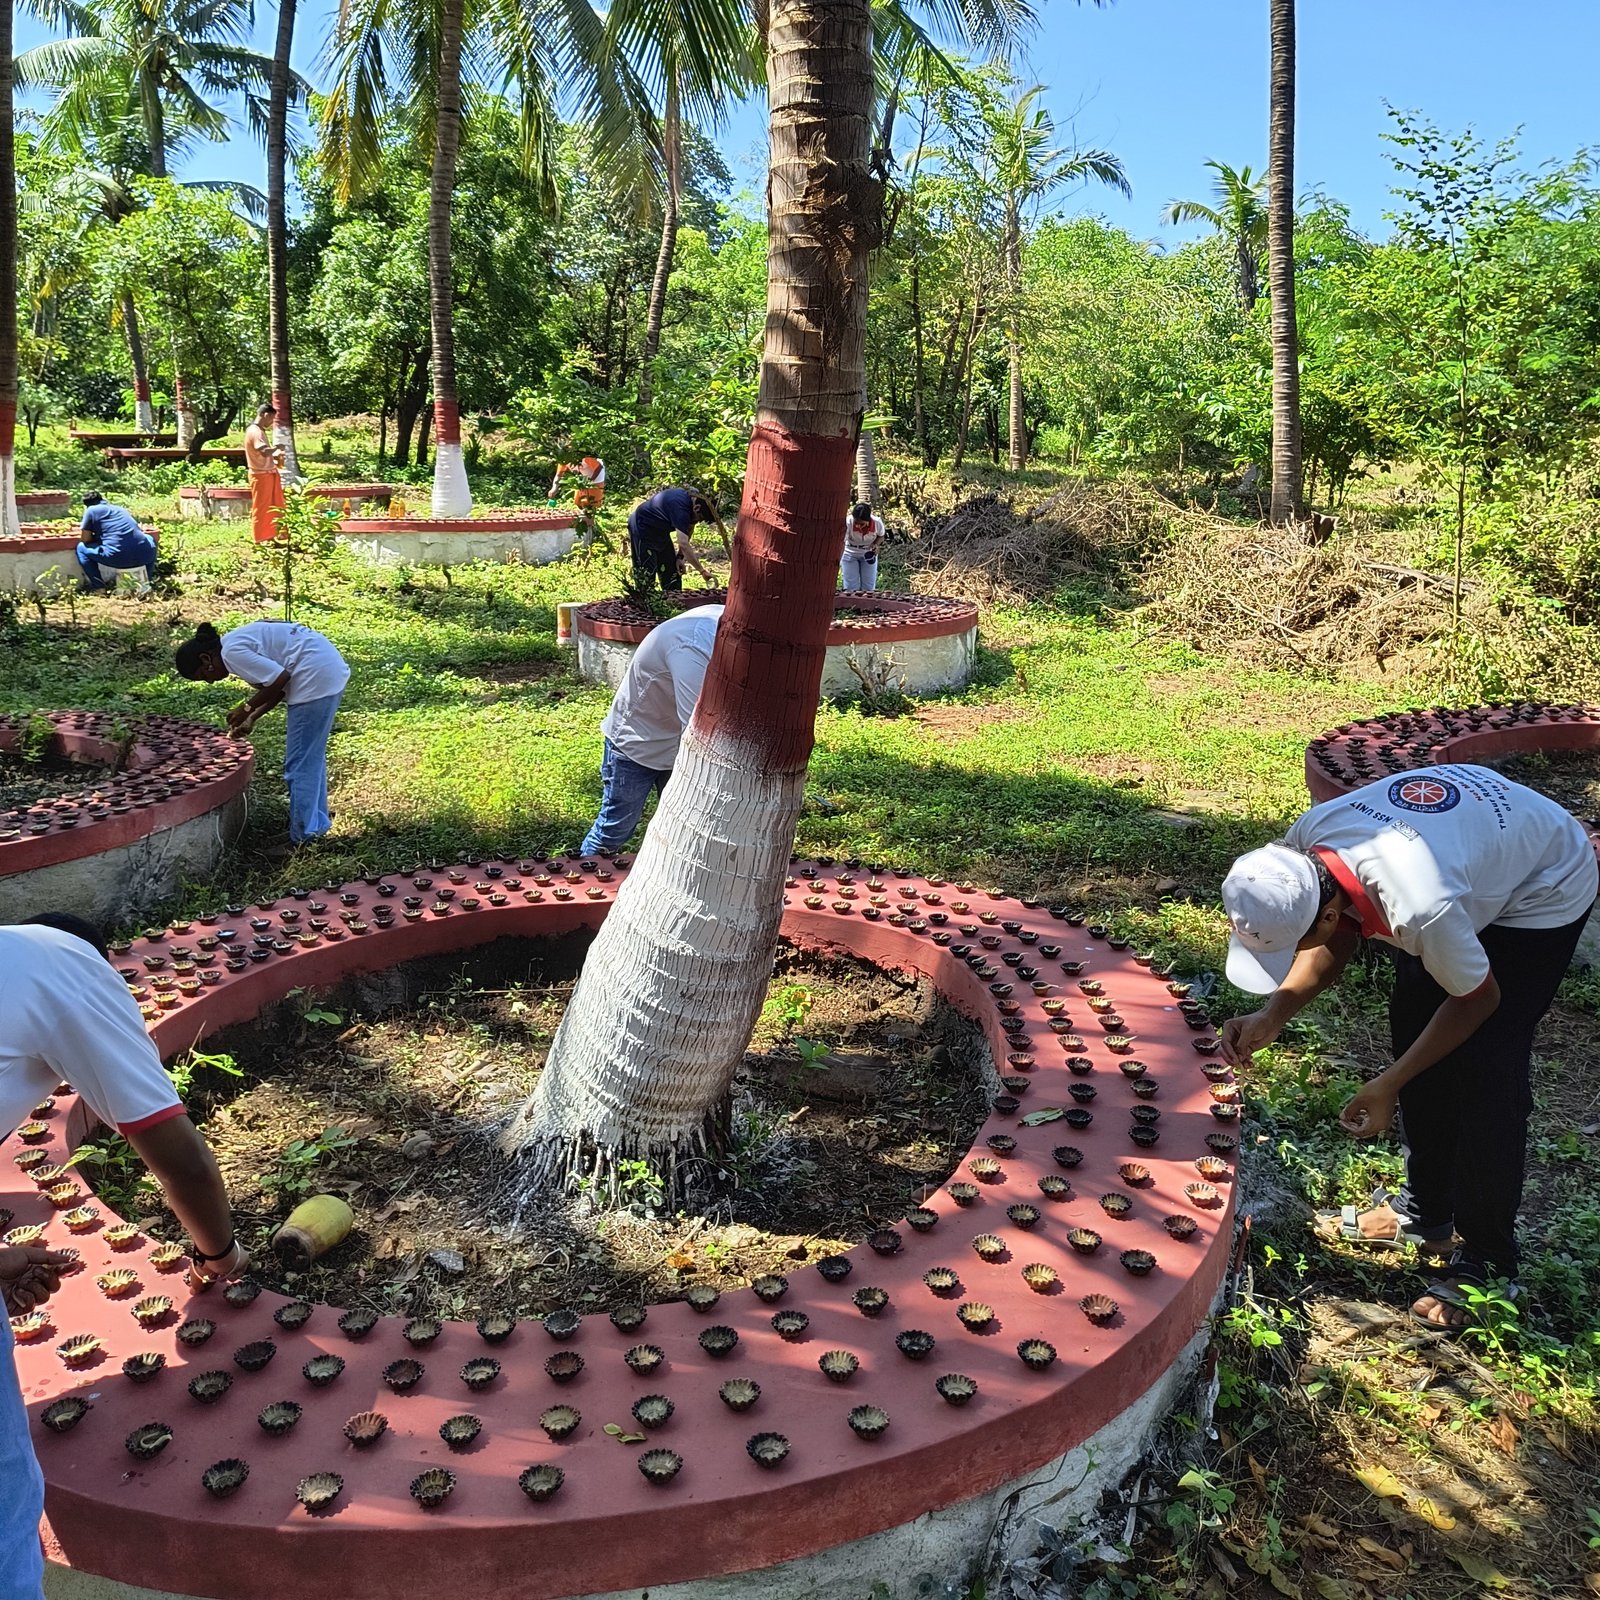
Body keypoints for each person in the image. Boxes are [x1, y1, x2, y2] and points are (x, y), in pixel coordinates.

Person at [1219, 764, 1598, 1329]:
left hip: (1542, 881)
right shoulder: (1303, 848)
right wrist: (1274, 1013)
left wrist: (1389, 1083)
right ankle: (1426, 1213)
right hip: (1465, 854)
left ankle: (1491, 1262)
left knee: (1487, 1063)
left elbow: (1478, 1000)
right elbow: (1337, 935)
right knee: (1415, 1014)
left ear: (1321, 912)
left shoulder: (1419, 905)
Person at [1, 914, 247, 1598]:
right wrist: (219, 1256)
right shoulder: (72, 970)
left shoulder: (10, 959)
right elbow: (181, 1160)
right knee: (4, 1496)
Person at [174, 620, 350, 850]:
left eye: (202, 676)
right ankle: (312, 825)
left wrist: (246, 708)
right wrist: (252, 718)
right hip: (324, 669)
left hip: (314, 678)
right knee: (310, 758)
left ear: (205, 659)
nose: (209, 681)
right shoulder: (233, 646)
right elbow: (275, 688)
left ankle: (303, 837)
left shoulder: (232, 653)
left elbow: (280, 678)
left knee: (299, 764)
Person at [580, 604, 723, 855]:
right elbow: (700, 730)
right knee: (612, 832)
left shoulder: (728, 628)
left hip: (678, 748)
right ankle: (584, 883)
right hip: (636, 747)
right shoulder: (693, 644)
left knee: (684, 832)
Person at [627, 487, 722, 592]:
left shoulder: (693, 503)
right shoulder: (681, 509)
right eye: (700, 518)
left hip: (661, 530)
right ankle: (646, 598)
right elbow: (684, 543)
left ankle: (673, 599)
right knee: (646, 572)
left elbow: (689, 529)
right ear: (697, 508)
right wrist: (702, 571)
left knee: (671, 570)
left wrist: (680, 557)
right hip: (642, 525)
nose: (698, 522)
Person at [75, 492, 157, 595]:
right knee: (149, 538)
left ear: (86, 505)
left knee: (81, 548)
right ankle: (146, 581)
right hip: (145, 556)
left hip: (119, 558)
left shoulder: (91, 510)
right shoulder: (120, 509)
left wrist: (96, 537)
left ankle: (99, 588)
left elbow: (85, 539)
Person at [243, 402, 285, 546]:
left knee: (273, 506)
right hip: (260, 476)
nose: (271, 422)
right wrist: (276, 448)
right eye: (271, 419)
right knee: (261, 507)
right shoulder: (255, 431)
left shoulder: (259, 430)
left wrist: (274, 457)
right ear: (265, 415)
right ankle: (259, 539)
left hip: (268, 473)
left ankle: (271, 537)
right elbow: (263, 450)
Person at [554, 455, 606, 546]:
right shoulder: (563, 460)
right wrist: (554, 488)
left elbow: (598, 468)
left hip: (596, 475)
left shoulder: (585, 458)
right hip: (583, 478)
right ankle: (584, 523)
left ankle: (592, 531)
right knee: (578, 501)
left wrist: (590, 481)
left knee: (592, 503)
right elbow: (558, 475)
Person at [841, 501, 885, 591]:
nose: (858, 526)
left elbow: (881, 536)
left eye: (862, 524)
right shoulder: (848, 522)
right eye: (856, 523)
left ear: (868, 520)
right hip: (850, 552)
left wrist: (876, 545)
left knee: (868, 586)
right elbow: (842, 541)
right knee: (851, 586)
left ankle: (867, 604)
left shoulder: (877, 523)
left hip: (868, 553)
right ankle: (852, 604)